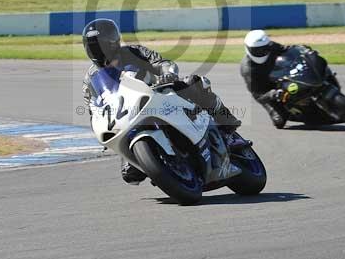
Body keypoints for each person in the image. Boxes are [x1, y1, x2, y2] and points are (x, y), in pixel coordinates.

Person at [82, 18, 242, 185]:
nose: (97, 50)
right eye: (92, 46)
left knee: (194, 83)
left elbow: (160, 62)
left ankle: (227, 126)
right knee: (130, 173)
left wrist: (168, 73)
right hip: (128, 117)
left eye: (100, 44)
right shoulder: (90, 79)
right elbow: (93, 109)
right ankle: (166, 167)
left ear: (113, 41)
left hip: (159, 93)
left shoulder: (133, 52)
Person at [240, 29, 292, 128]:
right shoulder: (247, 70)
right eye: (256, 50)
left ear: (268, 45)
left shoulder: (271, 46)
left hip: (280, 77)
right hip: (265, 91)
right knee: (279, 121)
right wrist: (272, 94)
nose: (261, 52)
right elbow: (257, 94)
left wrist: (302, 50)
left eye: (263, 49)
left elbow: (287, 50)